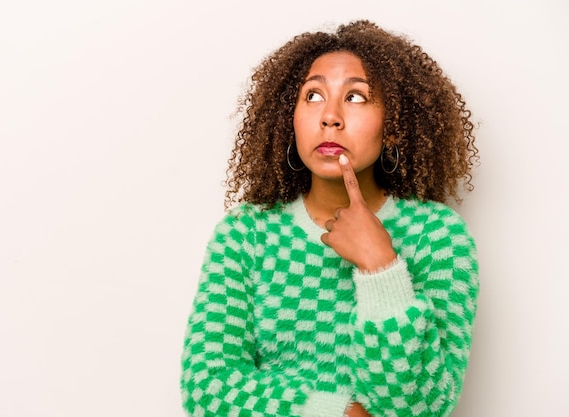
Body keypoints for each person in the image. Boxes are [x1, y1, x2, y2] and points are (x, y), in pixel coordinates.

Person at [180, 20, 479, 417]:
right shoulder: (245, 234)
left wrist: (381, 267)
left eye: (356, 97)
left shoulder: (438, 236)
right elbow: (206, 387)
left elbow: (424, 405)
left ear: (394, 126)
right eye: (313, 95)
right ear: (291, 117)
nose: (331, 116)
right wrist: (337, 412)